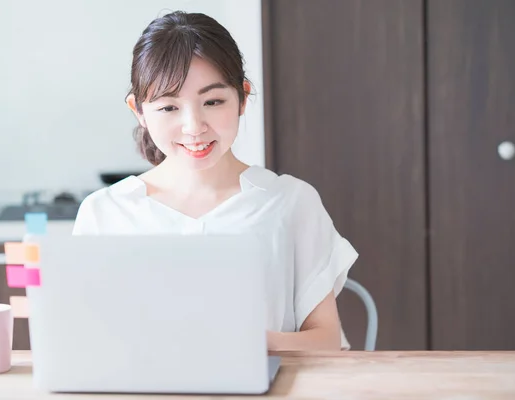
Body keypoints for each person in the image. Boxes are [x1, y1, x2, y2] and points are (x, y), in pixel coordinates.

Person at [73, 11, 358, 351]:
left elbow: (326, 341)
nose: (194, 126)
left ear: (242, 98)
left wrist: (246, 345)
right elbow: (84, 343)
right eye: (168, 108)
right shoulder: (105, 213)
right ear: (139, 110)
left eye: (213, 101)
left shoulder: (292, 201)